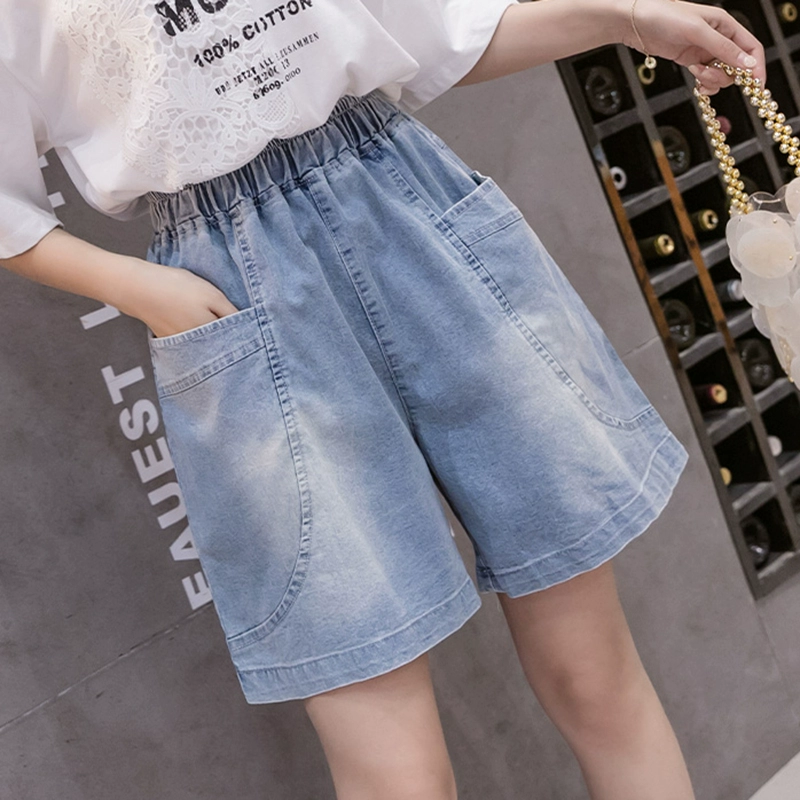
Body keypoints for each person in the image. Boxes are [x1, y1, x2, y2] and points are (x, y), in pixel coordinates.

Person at [0, 1, 764, 798]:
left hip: (408, 205)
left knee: (594, 678)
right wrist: (138, 288)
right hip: (232, 288)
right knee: (397, 776)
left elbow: (443, 37)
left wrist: (627, 20)